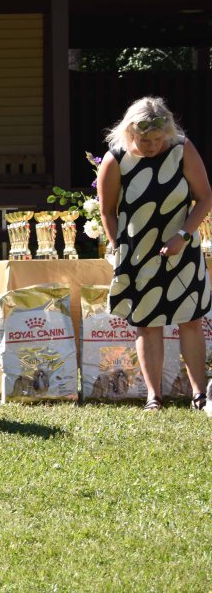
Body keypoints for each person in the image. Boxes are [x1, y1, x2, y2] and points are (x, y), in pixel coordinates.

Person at [97, 96, 212, 412]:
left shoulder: (182, 149)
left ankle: (200, 395)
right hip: (138, 255)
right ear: (129, 133)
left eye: (158, 139)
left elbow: (204, 198)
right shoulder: (115, 159)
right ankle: (154, 397)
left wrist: (182, 236)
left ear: (168, 132)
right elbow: (107, 211)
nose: (152, 146)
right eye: (144, 140)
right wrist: (118, 249)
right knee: (147, 323)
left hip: (183, 249)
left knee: (190, 320)